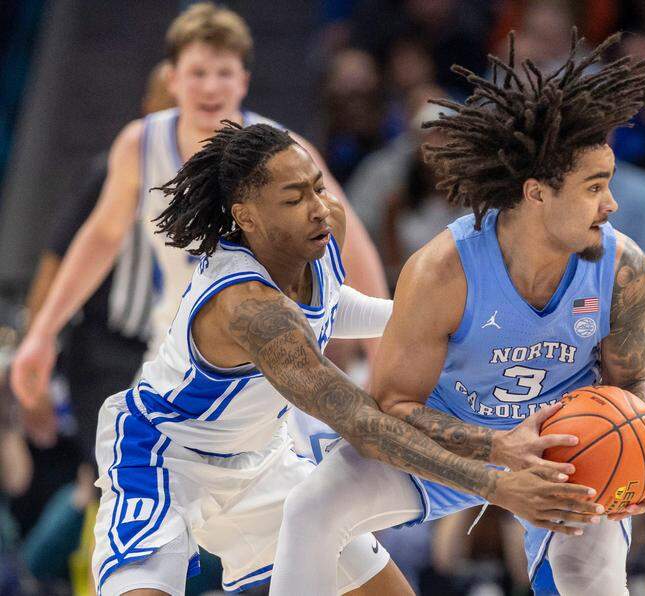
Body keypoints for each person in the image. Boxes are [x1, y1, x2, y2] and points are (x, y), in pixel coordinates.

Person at [90, 120, 593, 596]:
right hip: (164, 457)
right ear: (246, 216)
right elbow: (365, 427)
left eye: (316, 185)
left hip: (263, 461)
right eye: (294, 198)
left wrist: (444, 322)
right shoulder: (249, 308)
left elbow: (332, 306)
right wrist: (493, 479)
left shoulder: (325, 229)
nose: (317, 207)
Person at [269, 32, 645, 596]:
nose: (612, 204)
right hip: (449, 445)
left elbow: (632, 383)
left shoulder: (624, 269)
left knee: (593, 576)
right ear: (536, 193)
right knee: (312, 508)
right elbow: (390, 409)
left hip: (569, 454)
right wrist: (495, 454)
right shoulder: (441, 271)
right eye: (594, 187)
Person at [9, 2, 387, 420]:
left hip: (267, 359)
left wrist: (380, 357)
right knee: (128, 469)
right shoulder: (141, 143)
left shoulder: (285, 151)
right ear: (172, 79)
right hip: (173, 353)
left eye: (223, 73)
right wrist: (42, 334)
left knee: (279, 479)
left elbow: (351, 243)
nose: (211, 87)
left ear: (243, 81)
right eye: (198, 73)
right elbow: (101, 237)